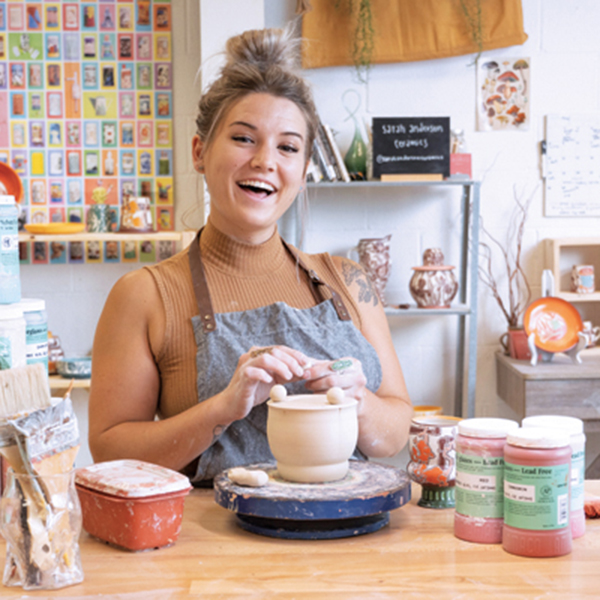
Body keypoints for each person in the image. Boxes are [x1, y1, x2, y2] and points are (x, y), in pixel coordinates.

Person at [88, 27, 412, 484]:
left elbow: (394, 433)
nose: (265, 160)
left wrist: (358, 399)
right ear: (200, 152)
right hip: (212, 550)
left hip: (347, 541)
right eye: (244, 138)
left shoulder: (349, 282)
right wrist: (222, 409)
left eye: (287, 147)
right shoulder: (143, 295)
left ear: (302, 171)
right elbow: (111, 451)